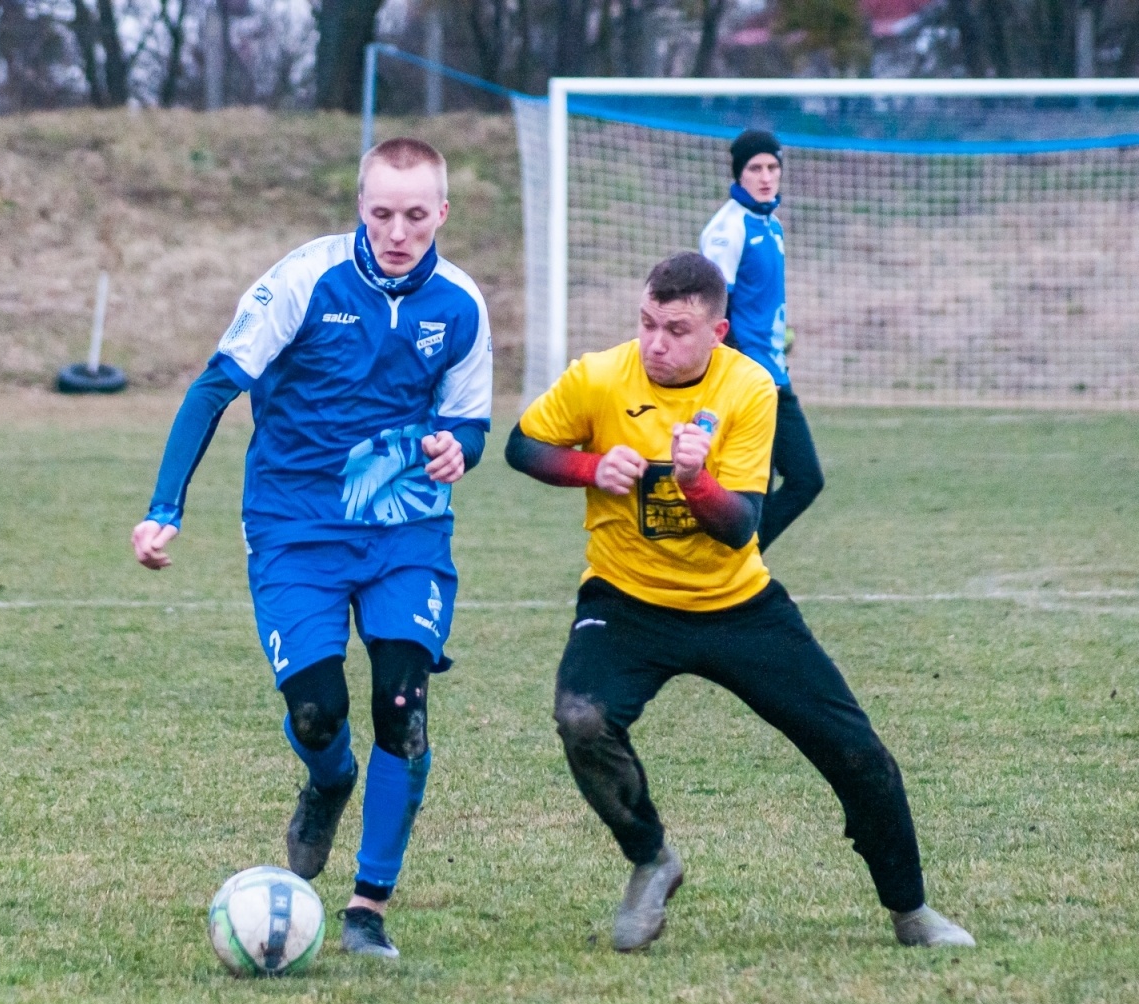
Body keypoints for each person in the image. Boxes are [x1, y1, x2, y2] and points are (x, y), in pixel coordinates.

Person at [505, 251, 972, 952]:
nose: (656, 343)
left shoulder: (749, 389)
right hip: (625, 601)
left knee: (857, 753)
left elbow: (739, 529)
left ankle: (911, 911)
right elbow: (522, 446)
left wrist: (695, 481)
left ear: (717, 332)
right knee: (581, 718)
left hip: (738, 604)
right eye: (646, 323)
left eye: (676, 329)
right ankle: (651, 858)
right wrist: (590, 467)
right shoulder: (598, 376)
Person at [132, 137, 493, 959]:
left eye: (414, 215)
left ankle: (368, 906)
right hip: (295, 523)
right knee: (317, 710)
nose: (396, 231)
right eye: (380, 213)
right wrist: (165, 509)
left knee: (401, 703)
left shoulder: (462, 303)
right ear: (358, 207)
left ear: (442, 212)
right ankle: (328, 780)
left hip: (402, 519)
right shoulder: (304, 279)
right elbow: (213, 387)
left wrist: (456, 451)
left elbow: (470, 422)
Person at [699, 129, 824, 551]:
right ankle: (736, 568)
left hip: (775, 374)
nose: (766, 176)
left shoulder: (772, 226)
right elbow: (716, 311)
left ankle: (737, 561)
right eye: (756, 168)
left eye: (773, 167)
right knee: (757, 486)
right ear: (739, 173)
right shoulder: (726, 230)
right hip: (751, 378)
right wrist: (738, 370)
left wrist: (779, 337)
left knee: (805, 479)